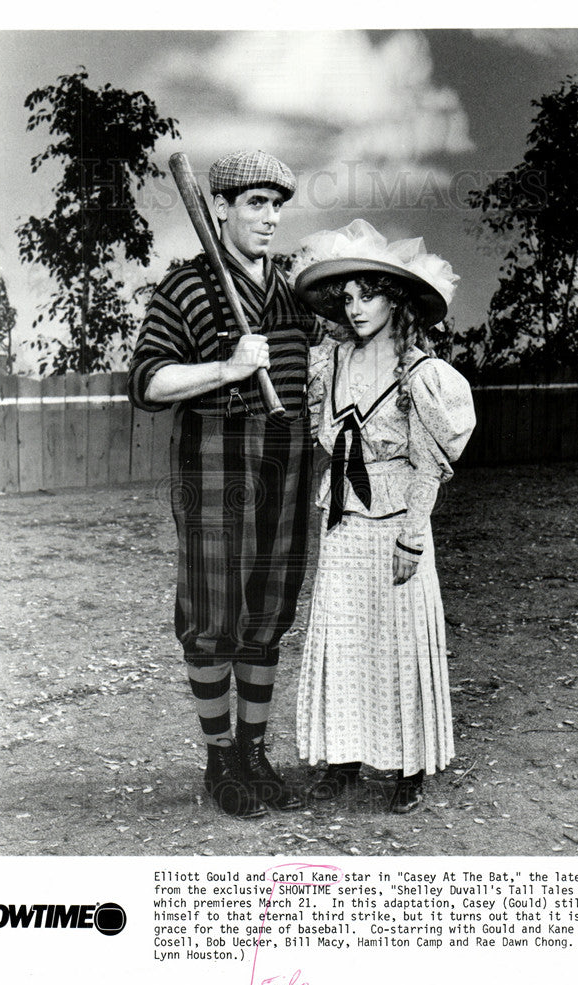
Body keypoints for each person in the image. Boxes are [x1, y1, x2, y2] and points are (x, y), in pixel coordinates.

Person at [127, 150, 318, 819]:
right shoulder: (187, 287)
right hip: (213, 465)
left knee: (267, 612)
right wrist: (228, 367)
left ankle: (253, 754)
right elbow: (148, 383)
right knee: (212, 620)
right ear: (223, 209)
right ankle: (217, 761)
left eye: (276, 205)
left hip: (287, 466)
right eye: (255, 204)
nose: (268, 218)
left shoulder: (297, 292)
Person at [293, 219, 476, 814]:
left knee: (398, 642)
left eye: (367, 294)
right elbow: (322, 435)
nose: (355, 307)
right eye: (347, 297)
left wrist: (413, 537)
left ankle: (407, 768)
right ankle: (342, 761)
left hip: (398, 522)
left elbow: (429, 464)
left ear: (396, 300)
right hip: (343, 519)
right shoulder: (331, 363)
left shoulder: (424, 376)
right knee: (343, 637)